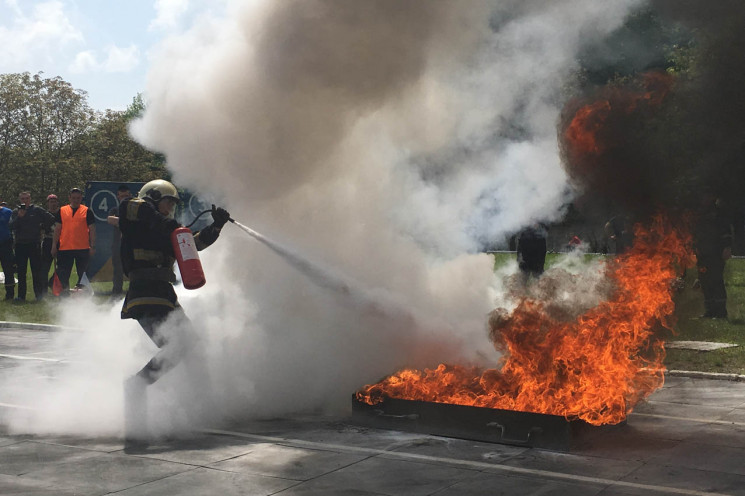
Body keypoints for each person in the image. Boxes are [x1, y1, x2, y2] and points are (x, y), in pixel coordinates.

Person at [120, 179, 230, 442]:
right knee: (181, 345)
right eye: (167, 201)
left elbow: (194, 244)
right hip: (145, 293)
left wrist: (217, 225)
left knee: (191, 346)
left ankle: (197, 408)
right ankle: (137, 386)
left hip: (164, 295)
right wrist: (166, 221)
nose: (170, 208)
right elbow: (134, 207)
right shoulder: (134, 213)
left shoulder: (166, 230)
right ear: (153, 198)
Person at [693, 192, 733, 319]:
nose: (704, 199)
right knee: (705, 281)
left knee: (716, 280)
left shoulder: (719, 214)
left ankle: (721, 312)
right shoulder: (700, 214)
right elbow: (696, 233)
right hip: (703, 254)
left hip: (716, 253)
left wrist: (727, 247)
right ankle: (710, 311)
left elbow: (726, 232)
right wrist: (696, 248)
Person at [10, 192, 54, 302]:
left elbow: (51, 219)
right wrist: (19, 217)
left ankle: (38, 295)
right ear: (20, 200)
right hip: (20, 245)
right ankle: (21, 296)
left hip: (34, 244)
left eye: (27, 198)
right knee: (21, 272)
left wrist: (43, 227)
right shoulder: (16, 212)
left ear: (30, 199)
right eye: (22, 198)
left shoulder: (37, 210)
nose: (25, 200)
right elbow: (11, 226)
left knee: (36, 271)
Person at [51, 188, 96, 294]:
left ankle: (83, 295)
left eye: (78, 198)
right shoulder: (62, 211)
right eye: (74, 198)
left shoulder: (87, 211)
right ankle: (64, 295)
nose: (76, 200)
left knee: (83, 274)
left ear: (81, 198)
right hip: (65, 248)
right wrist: (54, 245)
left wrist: (93, 246)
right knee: (63, 274)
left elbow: (93, 230)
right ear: (69, 198)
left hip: (83, 248)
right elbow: (57, 229)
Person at [106, 185, 132, 296]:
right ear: (118, 197)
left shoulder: (134, 209)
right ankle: (117, 292)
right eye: (122, 196)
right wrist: (126, 221)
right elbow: (110, 220)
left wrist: (121, 222)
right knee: (118, 270)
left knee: (133, 269)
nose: (124, 198)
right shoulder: (115, 210)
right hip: (118, 245)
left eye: (126, 196)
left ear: (130, 195)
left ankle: (133, 291)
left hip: (131, 244)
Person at [40, 194, 60, 295]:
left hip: (60, 241)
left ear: (57, 202)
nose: (53, 204)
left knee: (61, 266)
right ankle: (44, 290)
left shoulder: (62, 213)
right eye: (51, 202)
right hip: (48, 240)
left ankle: (53, 282)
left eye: (54, 201)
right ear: (48, 203)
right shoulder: (44, 214)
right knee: (45, 267)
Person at [0, 200, 14, 300]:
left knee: (8, 270)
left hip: (5, 244)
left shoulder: (8, 212)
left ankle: (10, 294)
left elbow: (14, 226)